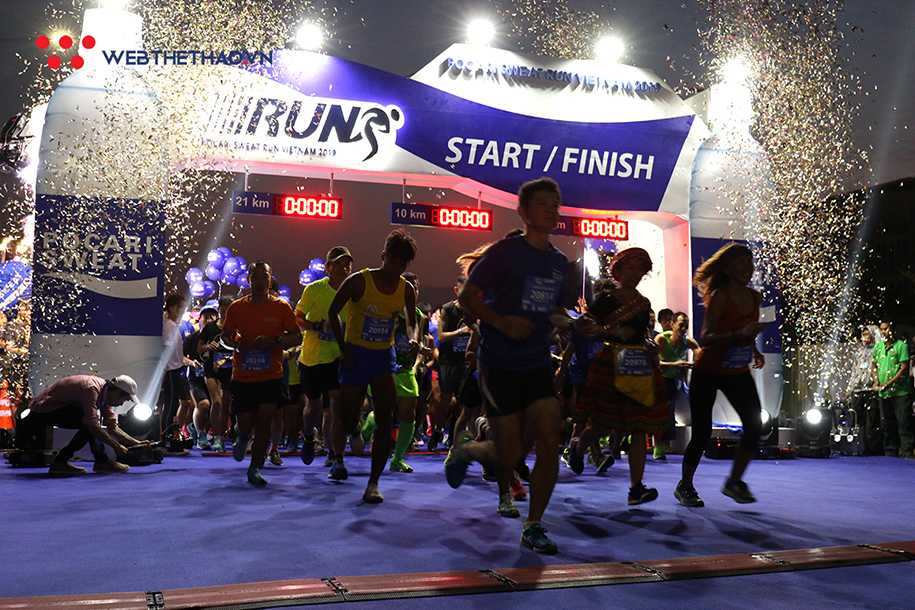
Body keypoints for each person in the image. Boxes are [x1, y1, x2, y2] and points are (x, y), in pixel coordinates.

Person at [444, 177, 576, 555]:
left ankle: (533, 525)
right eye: (543, 204)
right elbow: (469, 297)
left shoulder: (556, 262)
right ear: (523, 211)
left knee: (551, 438)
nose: (552, 209)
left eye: (556, 203)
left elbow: (552, 310)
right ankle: (468, 450)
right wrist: (501, 323)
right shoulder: (503, 253)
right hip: (499, 364)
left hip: (535, 362)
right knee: (509, 455)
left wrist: (569, 323)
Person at [569, 248, 669, 504]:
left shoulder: (644, 303)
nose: (635, 274)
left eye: (640, 270)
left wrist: (651, 346)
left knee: (639, 427)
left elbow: (642, 334)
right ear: (618, 271)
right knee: (601, 424)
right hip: (611, 363)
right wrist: (610, 332)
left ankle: (636, 489)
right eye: (630, 269)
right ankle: (578, 449)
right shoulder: (606, 299)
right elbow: (586, 328)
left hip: (639, 365)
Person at [328, 229, 419, 503]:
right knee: (347, 418)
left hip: (383, 358)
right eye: (392, 262)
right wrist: (343, 349)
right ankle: (354, 430)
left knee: (384, 420)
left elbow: (412, 322)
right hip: (355, 355)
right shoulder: (359, 281)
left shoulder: (406, 289)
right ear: (383, 256)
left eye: (402, 265)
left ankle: (373, 483)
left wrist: (413, 338)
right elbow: (333, 312)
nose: (396, 269)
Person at [676, 243, 765, 507]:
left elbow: (746, 330)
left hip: (737, 370)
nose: (747, 267)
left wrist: (754, 349)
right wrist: (736, 336)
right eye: (740, 262)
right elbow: (707, 336)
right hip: (709, 370)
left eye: (749, 262)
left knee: (755, 425)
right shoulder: (721, 295)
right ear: (727, 268)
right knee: (702, 433)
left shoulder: (754, 297)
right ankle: (685, 486)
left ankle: (734, 481)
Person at [221, 261, 302, 485]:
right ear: (248, 280)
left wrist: (274, 340)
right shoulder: (237, 307)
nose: (259, 281)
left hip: (271, 376)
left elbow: (297, 337)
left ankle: (255, 468)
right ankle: (242, 435)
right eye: (254, 277)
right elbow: (225, 337)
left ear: (270, 279)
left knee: (264, 425)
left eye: (263, 277)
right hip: (243, 377)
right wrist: (237, 345)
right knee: (246, 424)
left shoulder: (281, 307)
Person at [295, 246, 354, 475]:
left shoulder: (354, 293)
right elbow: (297, 317)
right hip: (312, 359)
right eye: (338, 264)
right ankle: (309, 437)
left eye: (347, 264)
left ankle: (336, 456)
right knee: (314, 408)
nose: (344, 268)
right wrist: (319, 326)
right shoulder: (314, 290)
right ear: (327, 268)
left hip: (338, 359)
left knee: (336, 409)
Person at [17, 374, 149, 474]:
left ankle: (99, 461)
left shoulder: (104, 395)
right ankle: (63, 462)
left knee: (90, 422)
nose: (121, 404)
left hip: (54, 409)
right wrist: (116, 446)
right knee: (89, 424)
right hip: (41, 411)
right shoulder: (91, 388)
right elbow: (92, 426)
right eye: (124, 400)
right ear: (118, 392)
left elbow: (112, 427)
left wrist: (136, 443)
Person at [653, 311, 700, 459]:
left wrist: (691, 365)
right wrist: (675, 364)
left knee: (667, 413)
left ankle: (662, 444)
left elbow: (701, 357)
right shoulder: (661, 339)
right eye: (681, 325)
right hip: (658, 380)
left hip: (673, 382)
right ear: (672, 325)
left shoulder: (689, 341)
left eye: (686, 326)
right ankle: (657, 446)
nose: (683, 328)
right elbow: (653, 362)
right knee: (658, 412)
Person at [871, 321, 913, 458]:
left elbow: (904, 368)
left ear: (893, 329)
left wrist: (890, 382)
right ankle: (890, 452)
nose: (883, 332)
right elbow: (874, 366)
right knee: (886, 424)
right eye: (881, 330)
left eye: (886, 329)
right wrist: (876, 381)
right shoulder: (878, 347)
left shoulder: (902, 346)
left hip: (900, 392)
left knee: (903, 423)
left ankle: (907, 453)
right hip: (884, 392)